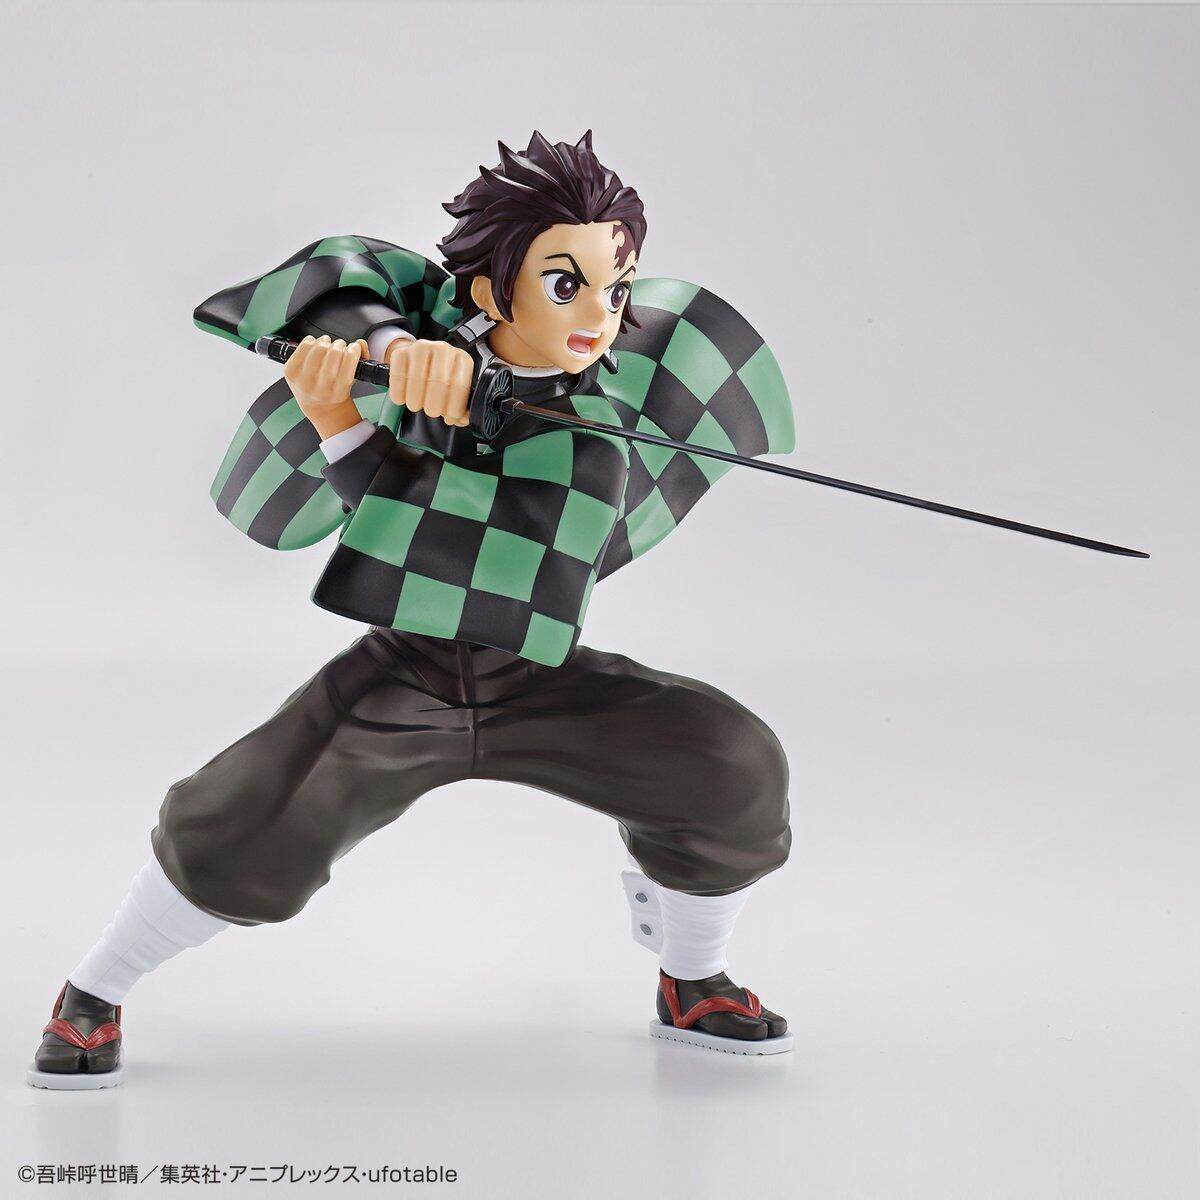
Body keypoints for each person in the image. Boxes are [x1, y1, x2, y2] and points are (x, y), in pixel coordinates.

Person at [28, 131, 796, 1089]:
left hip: (532, 669)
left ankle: (692, 980)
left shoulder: (594, 434)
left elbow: (449, 553)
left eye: (616, 289)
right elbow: (335, 273)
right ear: (488, 292)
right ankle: (93, 991)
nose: (598, 317)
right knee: (251, 820)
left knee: (725, 765)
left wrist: (349, 425)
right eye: (566, 285)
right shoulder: (435, 328)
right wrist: (392, 352)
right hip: (409, 674)